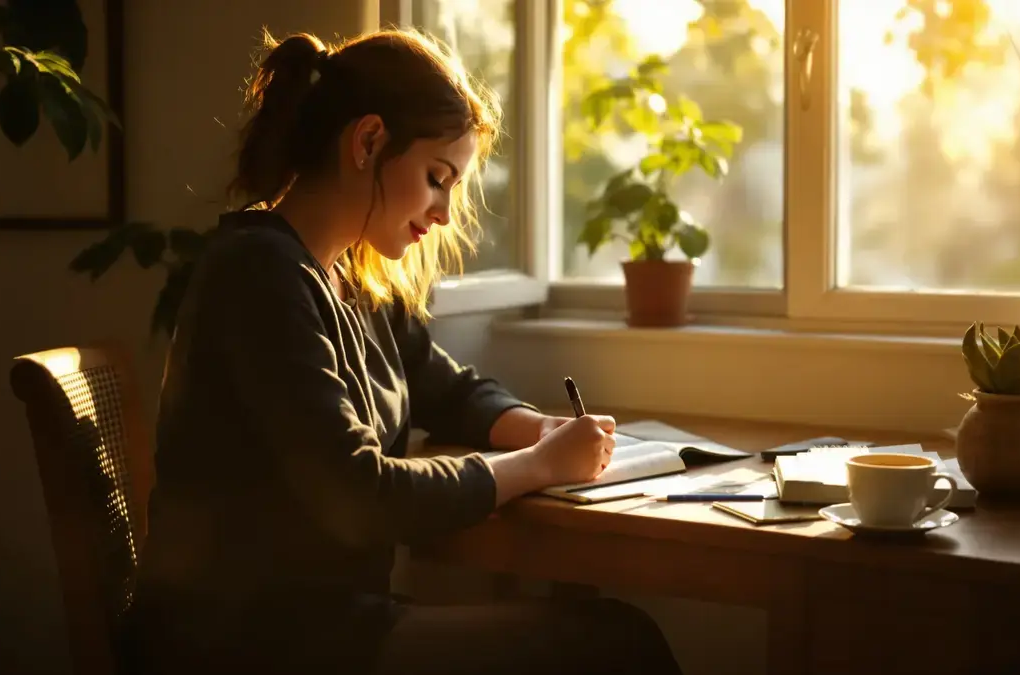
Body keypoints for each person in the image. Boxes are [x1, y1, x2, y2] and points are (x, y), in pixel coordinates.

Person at [123, 27, 683, 675]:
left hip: (324, 621)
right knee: (619, 644)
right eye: (436, 178)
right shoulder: (258, 273)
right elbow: (359, 491)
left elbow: (443, 385)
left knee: (611, 636)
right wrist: (537, 464)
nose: (444, 213)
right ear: (367, 142)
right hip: (249, 641)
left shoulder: (351, 280)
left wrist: (536, 425)